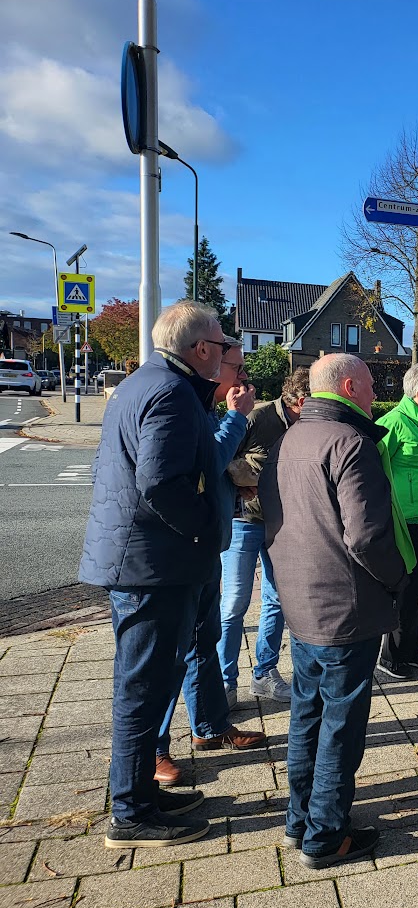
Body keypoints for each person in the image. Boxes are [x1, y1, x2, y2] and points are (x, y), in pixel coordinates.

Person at [81, 299, 232, 848]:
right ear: (198, 349)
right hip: (152, 564)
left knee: (149, 679)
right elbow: (160, 482)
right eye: (221, 344)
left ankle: (140, 790)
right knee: (143, 686)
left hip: (142, 558)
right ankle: (131, 812)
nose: (226, 352)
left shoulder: (142, 383)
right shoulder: (170, 391)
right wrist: (204, 530)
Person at [260, 353, 410, 869]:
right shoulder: (350, 443)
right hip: (345, 605)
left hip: (300, 600)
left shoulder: (287, 440)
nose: (375, 395)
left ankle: (298, 820)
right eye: (370, 386)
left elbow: (272, 520)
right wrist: (398, 580)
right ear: (348, 386)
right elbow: (366, 535)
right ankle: (326, 834)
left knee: (308, 714)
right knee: (342, 723)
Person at [154, 340, 266, 788]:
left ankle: (210, 727)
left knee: (205, 639)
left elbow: (209, 473)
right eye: (234, 366)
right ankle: (155, 750)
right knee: (169, 654)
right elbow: (201, 464)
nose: (240, 376)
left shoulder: (204, 406)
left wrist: (233, 492)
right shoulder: (182, 402)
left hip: (206, 548)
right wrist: (238, 417)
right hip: (180, 551)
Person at [220, 367, 310, 707]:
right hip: (244, 521)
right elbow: (222, 459)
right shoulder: (256, 418)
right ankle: (226, 683)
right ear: (301, 402)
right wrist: (256, 474)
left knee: (277, 599)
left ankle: (265, 674)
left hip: (280, 523)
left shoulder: (306, 425)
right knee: (234, 603)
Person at [375, 363, 418, 678]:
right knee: (405, 591)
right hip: (403, 521)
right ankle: (391, 657)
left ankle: (414, 652)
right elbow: (373, 469)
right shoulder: (392, 424)